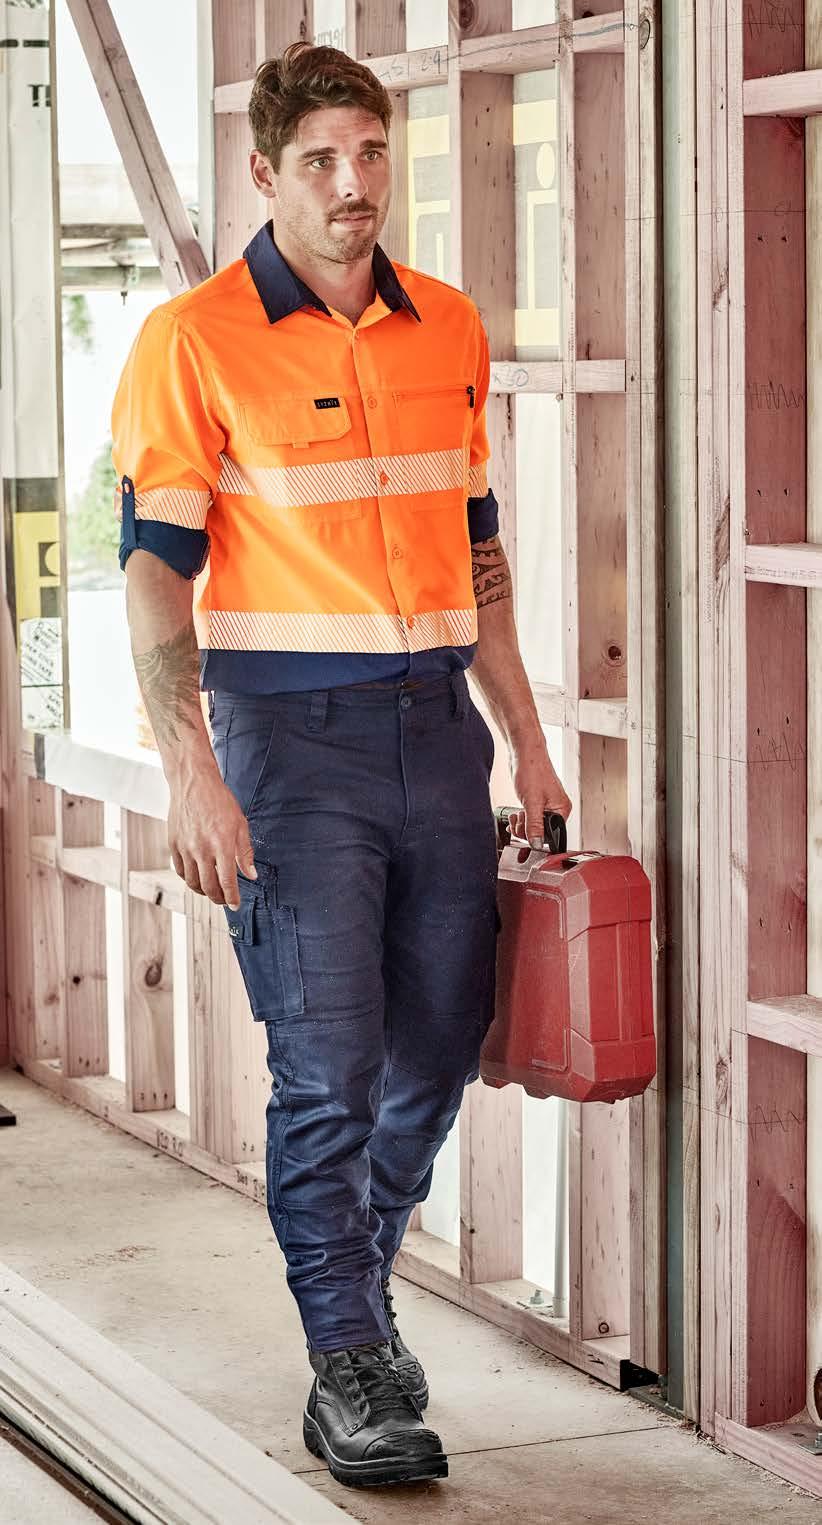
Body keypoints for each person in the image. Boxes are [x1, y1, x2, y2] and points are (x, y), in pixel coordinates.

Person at [112, 41, 571, 1491]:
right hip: (288, 746)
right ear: (266, 173)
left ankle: (353, 1298)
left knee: (437, 1046)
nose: (351, 183)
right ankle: (351, 1367)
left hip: (437, 730)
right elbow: (153, 573)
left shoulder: (448, 327)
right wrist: (190, 769)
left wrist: (529, 739)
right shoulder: (193, 341)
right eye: (319, 159)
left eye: (370, 152)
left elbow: (478, 557)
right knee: (326, 1069)